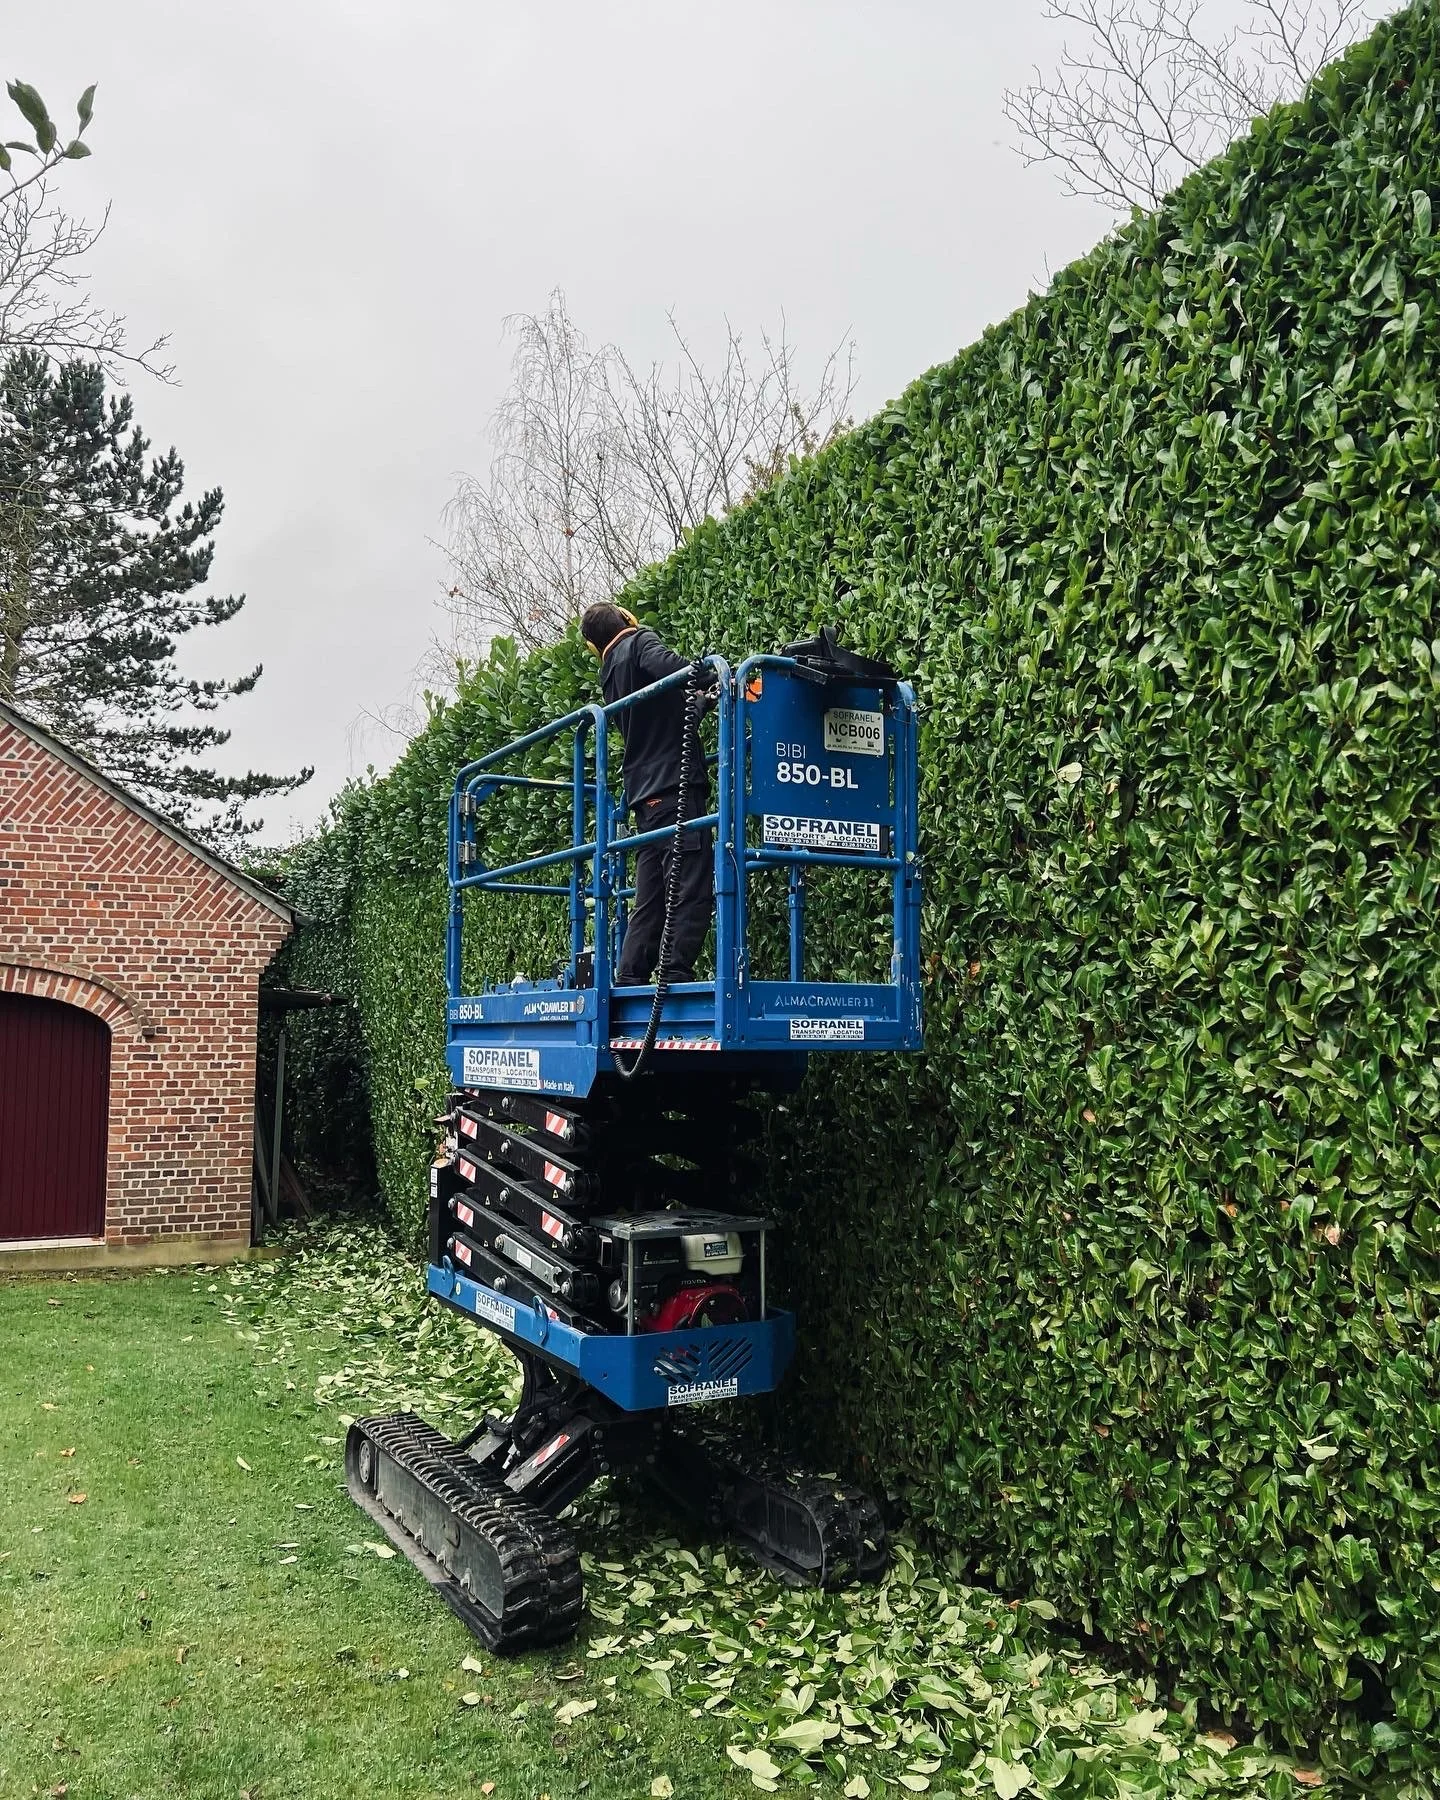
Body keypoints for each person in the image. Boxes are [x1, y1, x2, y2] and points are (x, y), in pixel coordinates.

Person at [579, 602, 713, 985]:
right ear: (626, 620)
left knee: (652, 892)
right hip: (674, 784)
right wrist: (710, 674)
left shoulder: (610, 671)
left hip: (644, 791)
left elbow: (662, 720)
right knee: (690, 880)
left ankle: (632, 974)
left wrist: (700, 704)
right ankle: (675, 970)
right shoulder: (639, 642)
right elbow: (676, 670)